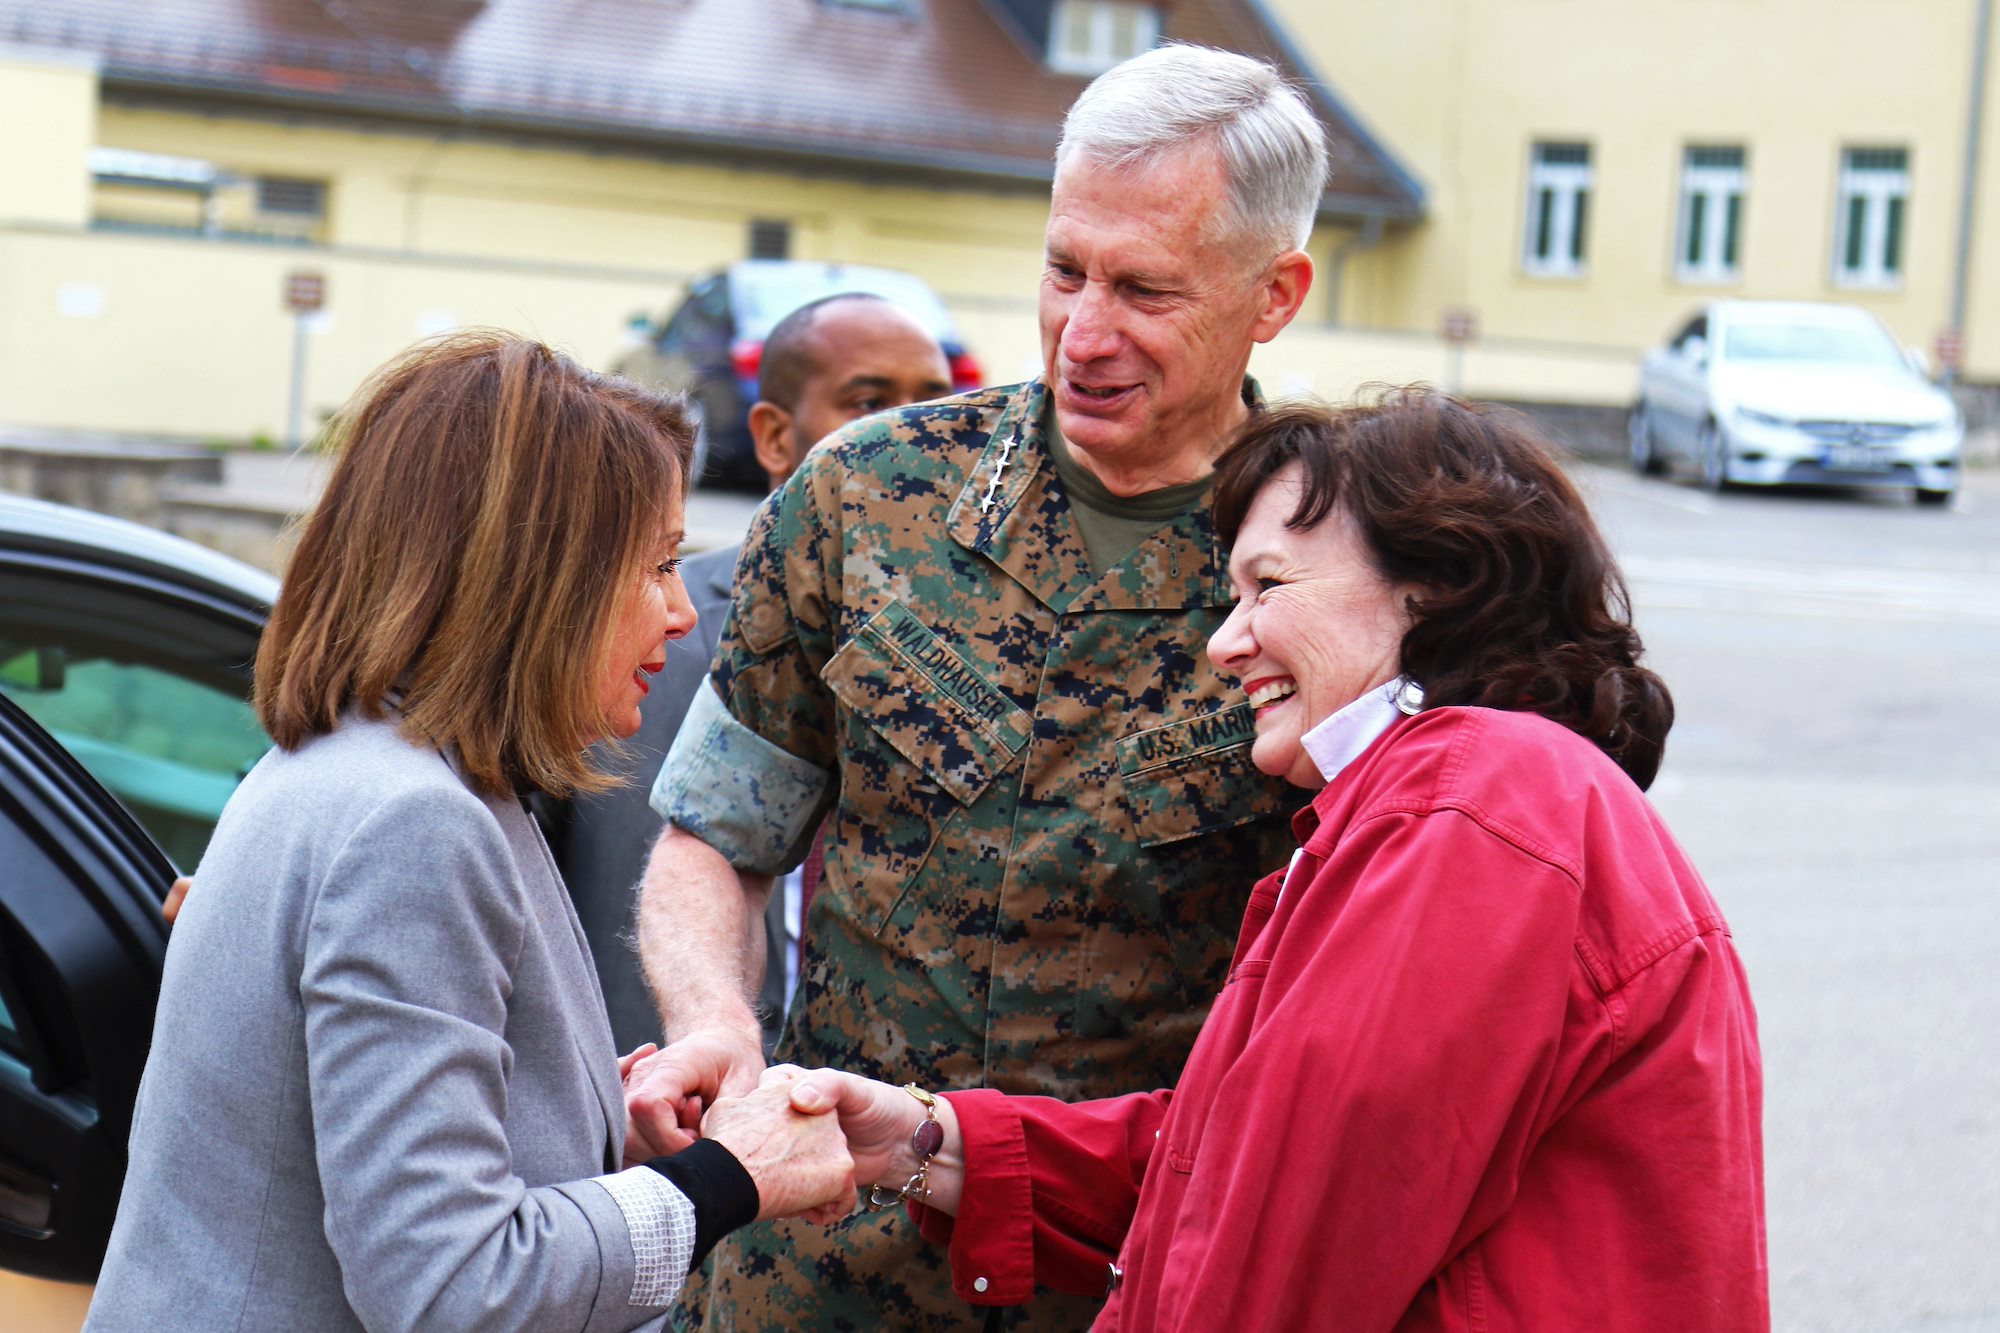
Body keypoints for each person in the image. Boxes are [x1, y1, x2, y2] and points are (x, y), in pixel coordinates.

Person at [775, 392, 1771, 1330]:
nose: (1225, 642)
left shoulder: (1472, 801)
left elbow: (1292, 1239)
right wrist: (920, 1139)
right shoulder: (1464, 795)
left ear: (1433, 589)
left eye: (1269, 587)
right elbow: (1226, 1165)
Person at [627, 42, 1324, 1328]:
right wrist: (712, 1016)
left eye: (1145, 289)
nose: (1084, 334)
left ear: (1271, 294)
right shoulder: (867, 493)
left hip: (1126, 1271)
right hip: (819, 1261)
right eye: (1063, 271)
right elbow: (716, 834)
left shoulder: (1340, 562)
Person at [86, 333, 857, 1332]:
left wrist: (591, 1123)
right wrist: (730, 1177)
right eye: (657, 564)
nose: (679, 612)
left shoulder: (356, 767)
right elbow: (454, 1287)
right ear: (539, 578)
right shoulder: (414, 824)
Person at [543, 293, 952, 1058]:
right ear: (773, 435)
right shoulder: (633, 629)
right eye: (868, 402)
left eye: (935, 405)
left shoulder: (975, 657)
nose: (909, 434)